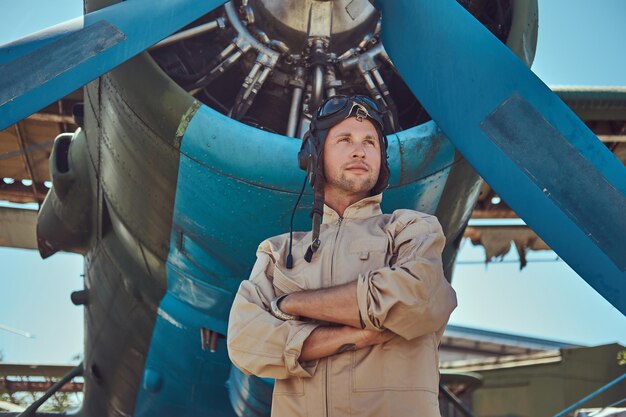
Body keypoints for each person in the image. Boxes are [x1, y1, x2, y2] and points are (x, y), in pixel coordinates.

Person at [227, 95, 457, 417]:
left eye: (370, 143)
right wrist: (358, 334)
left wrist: (289, 304)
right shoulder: (277, 253)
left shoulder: (412, 230)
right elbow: (244, 341)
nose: (359, 150)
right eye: (345, 139)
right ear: (314, 156)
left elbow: (417, 298)